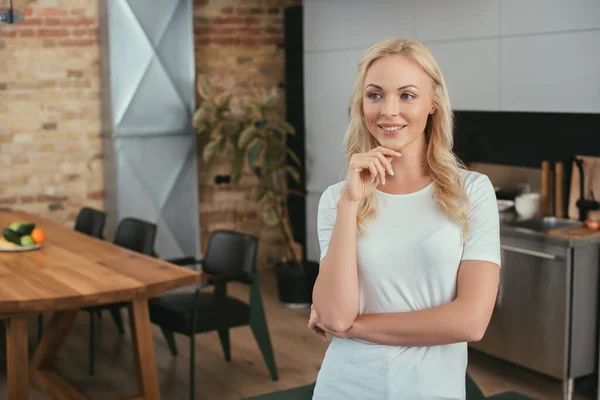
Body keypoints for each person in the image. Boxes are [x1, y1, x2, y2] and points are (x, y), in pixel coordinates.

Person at [308, 38, 501, 400]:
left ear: (433, 103)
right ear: (360, 103)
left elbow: (471, 321)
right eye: (375, 95)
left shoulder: (471, 193)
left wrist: (355, 328)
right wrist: (350, 203)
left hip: (432, 390)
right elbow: (335, 316)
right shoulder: (337, 199)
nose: (388, 111)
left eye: (407, 95)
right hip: (345, 387)